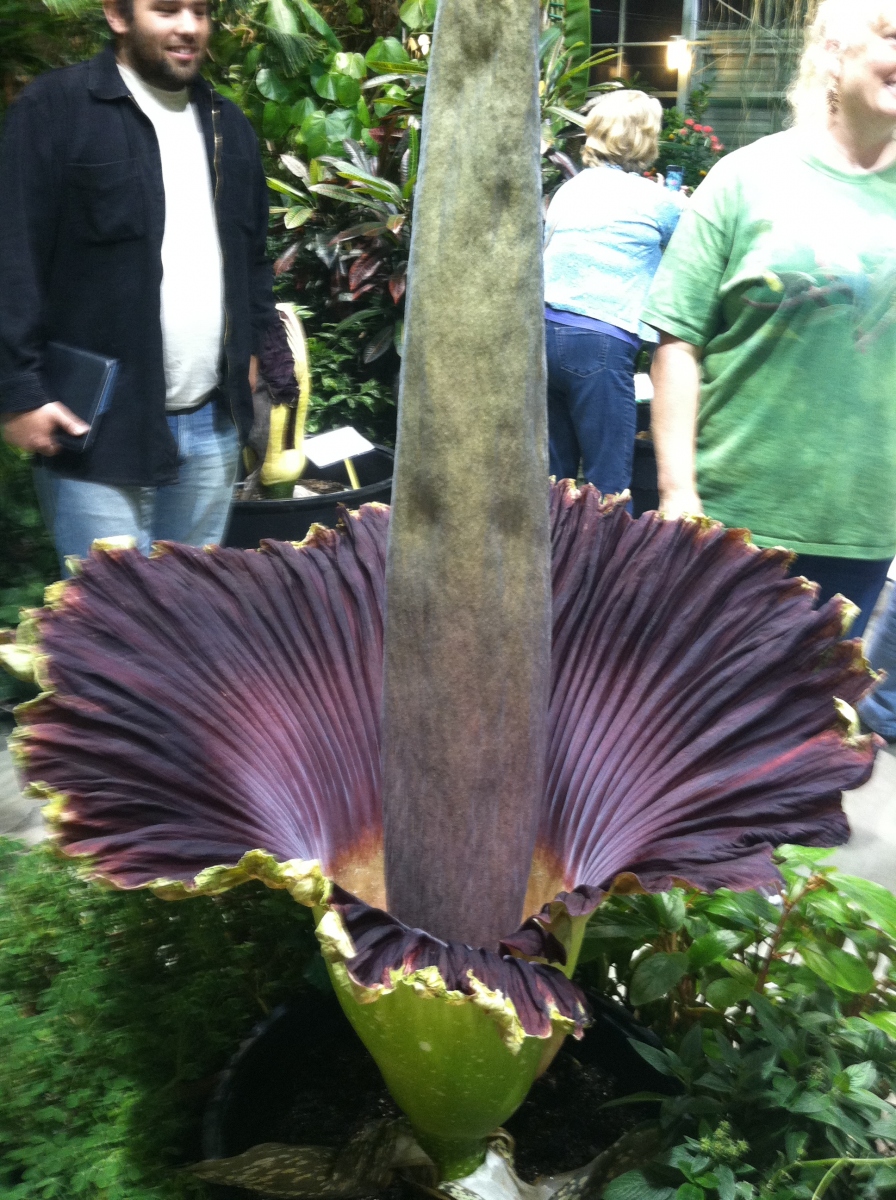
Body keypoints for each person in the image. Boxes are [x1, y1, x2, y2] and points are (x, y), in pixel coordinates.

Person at [643, 0, 896, 638]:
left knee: (809, 719)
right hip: (734, 517)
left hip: (863, 526)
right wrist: (677, 492)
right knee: (702, 716)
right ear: (835, 54)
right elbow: (679, 342)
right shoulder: (745, 179)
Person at [0, 0, 275, 572]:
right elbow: (13, 254)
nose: (188, 27)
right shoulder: (56, 110)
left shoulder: (230, 128)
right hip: (97, 426)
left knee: (188, 622)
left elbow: (252, 262)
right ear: (117, 16)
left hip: (211, 425)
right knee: (112, 632)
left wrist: (253, 354)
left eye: (199, 12)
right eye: (166, 9)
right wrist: (18, 392)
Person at [543, 89, 685, 497]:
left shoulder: (571, 189)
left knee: (557, 484)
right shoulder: (659, 201)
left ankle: (554, 560)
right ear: (645, 138)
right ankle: (606, 561)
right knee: (609, 486)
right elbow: (695, 252)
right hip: (600, 342)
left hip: (543, 334)